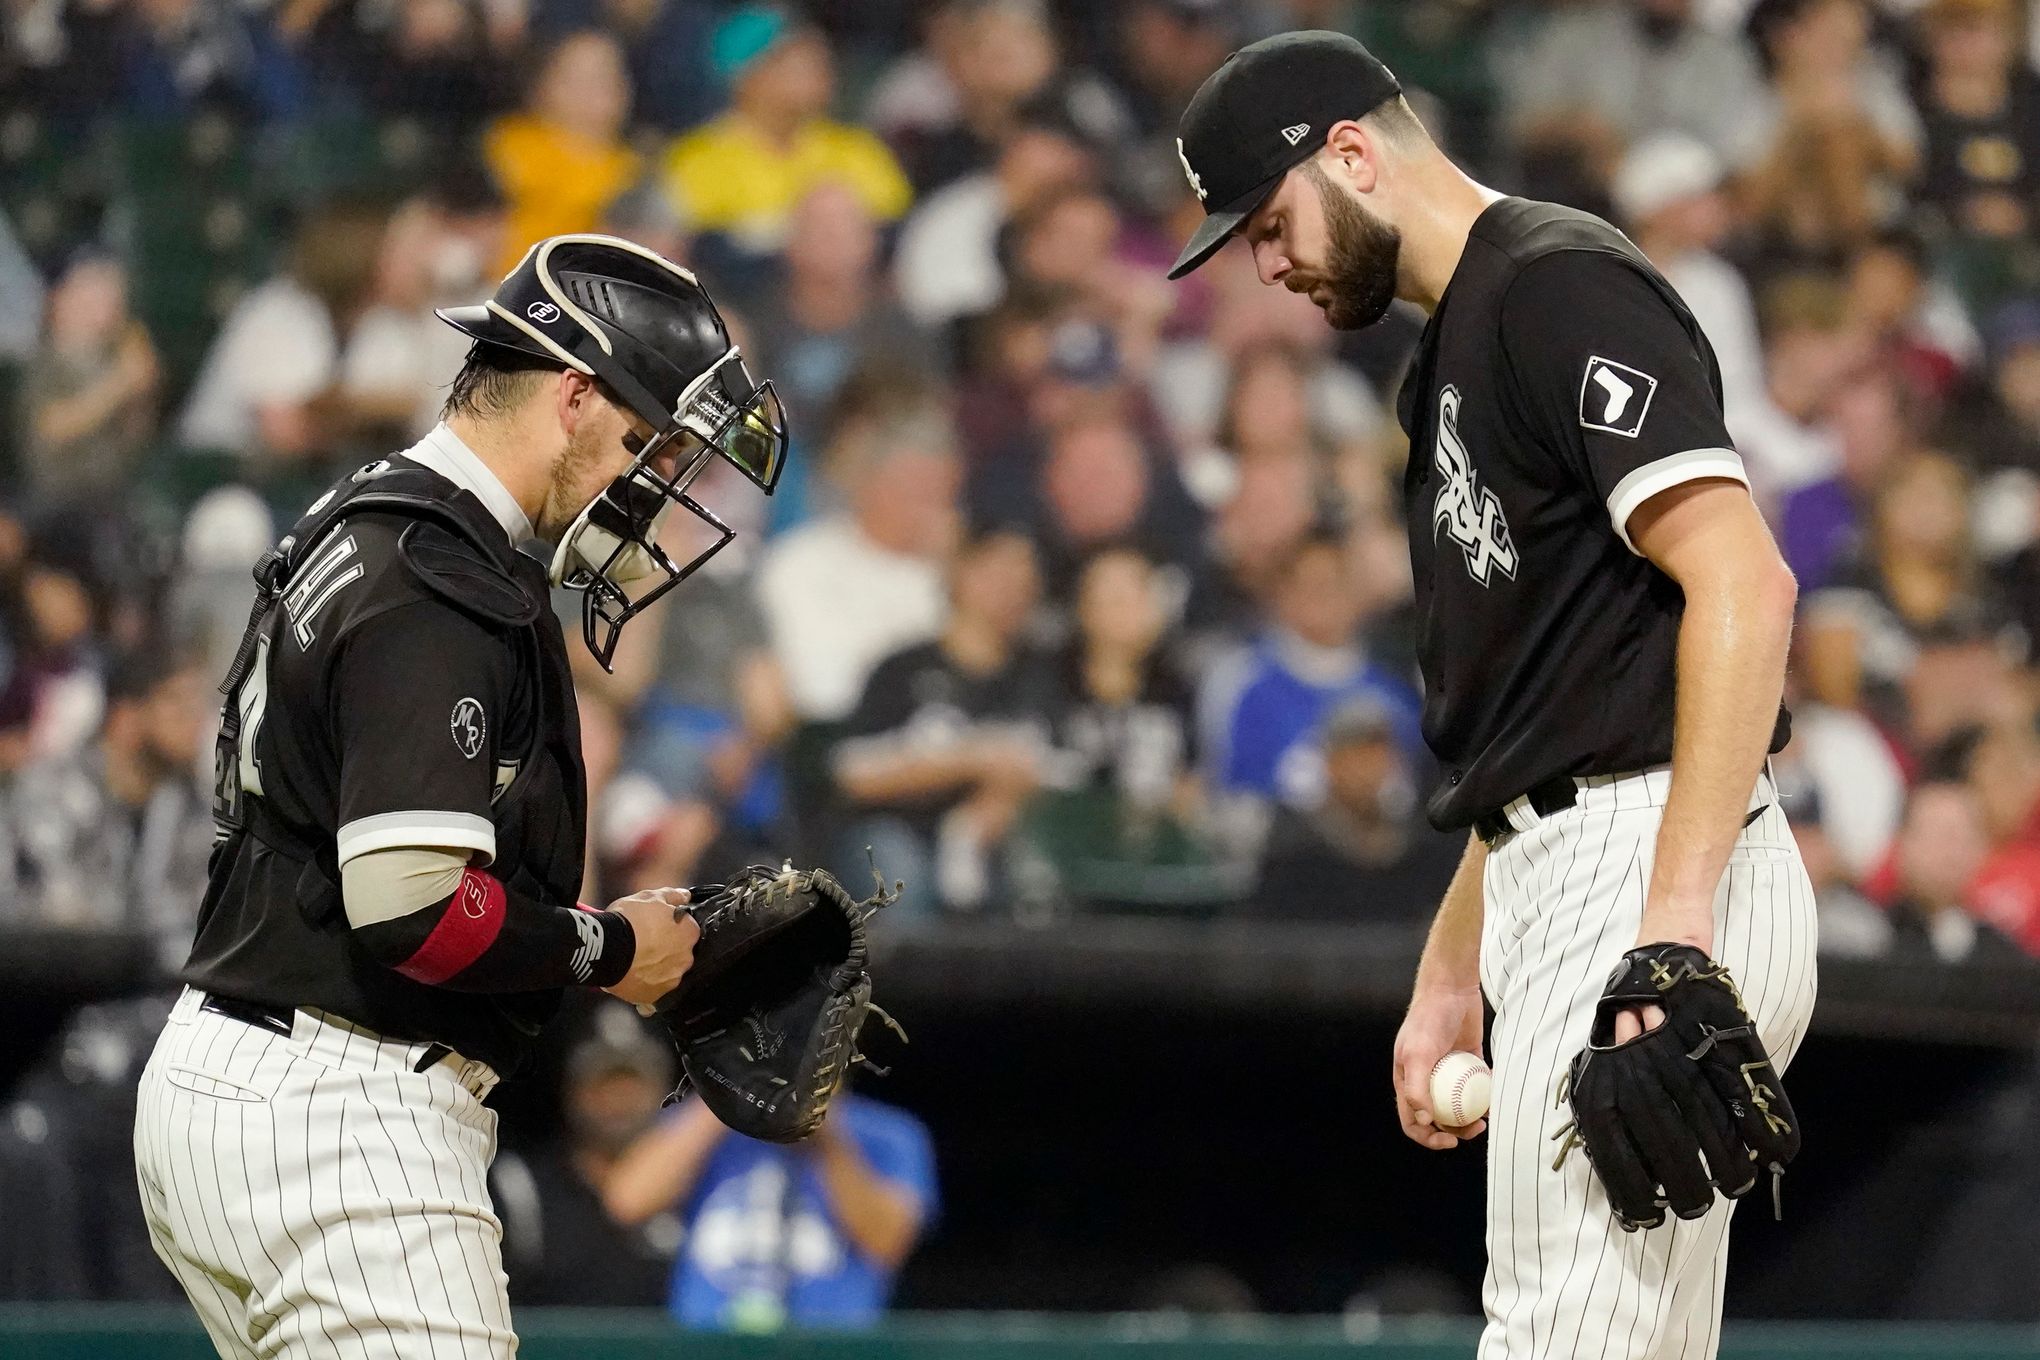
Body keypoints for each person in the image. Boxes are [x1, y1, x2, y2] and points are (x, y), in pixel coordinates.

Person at [1166, 31, 1816, 1359]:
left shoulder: (1557, 286)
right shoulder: (1451, 352)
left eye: (1267, 219)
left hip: (1647, 856)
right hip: (1570, 860)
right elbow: (1538, 705)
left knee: (1554, 1338)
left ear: (1351, 154)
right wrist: (1453, 964)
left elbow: (1746, 587)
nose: (1265, 261)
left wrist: (1675, 929)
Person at [133, 234, 788, 1358]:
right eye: (647, 443)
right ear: (573, 396)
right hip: (342, 1111)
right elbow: (412, 907)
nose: (652, 485)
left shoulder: (377, 514)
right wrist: (612, 950)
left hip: (250, 1071)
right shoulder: (437, 579)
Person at [832, 526, 1054, 914]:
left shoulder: (1041, 678)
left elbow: (1062, 768)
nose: (1011, 591)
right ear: (959, 574)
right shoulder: (901, 669)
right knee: (895, 868)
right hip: (900, 829)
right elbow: (853, 774)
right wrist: (969, 761)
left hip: (1002, 837)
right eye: (998, 575)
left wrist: (987, 811)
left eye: (1024, 580)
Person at [602, 1086, 935, 1331]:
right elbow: (627, 1201)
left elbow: (889, 1242)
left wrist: (825, 1132)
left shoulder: (889, 1134)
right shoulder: (704, 1124)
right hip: (708, 1347)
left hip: (829, 1346)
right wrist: (728, 1093)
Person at [491, 1028, 682, 1305]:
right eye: (604, 1084)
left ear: (665, 1091)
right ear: (572, 1091)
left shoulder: (700, 1180)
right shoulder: (519, 1188)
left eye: (634, 1084)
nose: (619, 1100)